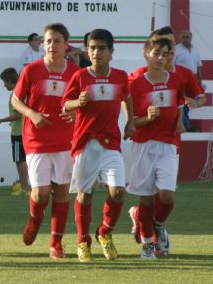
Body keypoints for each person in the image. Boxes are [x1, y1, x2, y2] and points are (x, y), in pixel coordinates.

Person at [61, 29, 134, 262]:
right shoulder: (81, 76)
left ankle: (104, 232)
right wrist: (77, 102)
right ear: (87, 51)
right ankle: (83, 242)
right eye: (92, 48)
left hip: (111, 142)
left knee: (118, 191)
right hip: (86, 142)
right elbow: (65, 105)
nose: (96, 52)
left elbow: (127, 97)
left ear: (111, 52)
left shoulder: (120, 76)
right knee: (85, 194)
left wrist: (130, 122)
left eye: (101, 48)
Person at [11, 23, 79, 259]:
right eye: (48, 40)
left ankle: (55, 244)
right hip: (37, 140)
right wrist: (31, 114)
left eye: (57, 41)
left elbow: (83, 104)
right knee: (41, 193)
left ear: (66, 44)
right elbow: (16, 100)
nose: (51, 45)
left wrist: (75, 113)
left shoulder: (75, 73)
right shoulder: (32, 70)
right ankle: (35, 217)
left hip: (65, 141)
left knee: (61, 193)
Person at [127, 37, 185, 259]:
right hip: (143, 146)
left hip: (168, 144)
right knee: (147, 200)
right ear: (146, 54)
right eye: (156, 53)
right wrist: (145, 119)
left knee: (167, 196)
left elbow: (179, 103)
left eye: (166, 53)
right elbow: (130, 125)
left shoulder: (176, 80)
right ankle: (148, 245)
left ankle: (157, 224)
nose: (161, 58)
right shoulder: (135, 85)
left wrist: (180, 120)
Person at [0, 67, 30, 196]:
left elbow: (19, 114)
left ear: (9, 81)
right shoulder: (23, 92)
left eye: (4, 82)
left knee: (20, 161)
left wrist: (1, 120)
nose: (4, 85)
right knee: (24, 160)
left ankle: (25, 188)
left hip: (17, 133)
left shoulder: (15, 94)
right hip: (24, 131)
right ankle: (26, 186)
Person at [173, 29, 203, 130]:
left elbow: (198, 66)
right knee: (183, 104)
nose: (186, 39)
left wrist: (200, 82)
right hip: (181, 80)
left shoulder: (195, 50)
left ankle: (186, 124)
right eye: (184, 37)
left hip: (192, 80)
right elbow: (172, 66)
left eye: (188, 37)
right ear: (180, 38)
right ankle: (185, 125)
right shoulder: (176, 49)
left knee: (189, 104)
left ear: (191, 38)